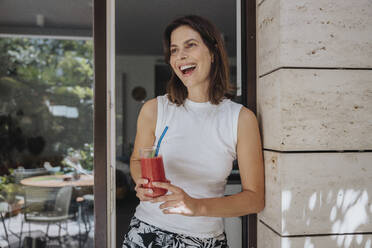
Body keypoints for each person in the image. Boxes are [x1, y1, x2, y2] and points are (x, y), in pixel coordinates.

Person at [122, 15, 264, 248]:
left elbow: (255, 199)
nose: (180, 56)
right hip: (146, 232)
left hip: (204, 240)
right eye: (174, 50)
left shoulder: (240, 119)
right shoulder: (154, 109)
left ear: (213, 52)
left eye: (191, 45)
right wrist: (144, 183)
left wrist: (196, 206)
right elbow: (138, 159)